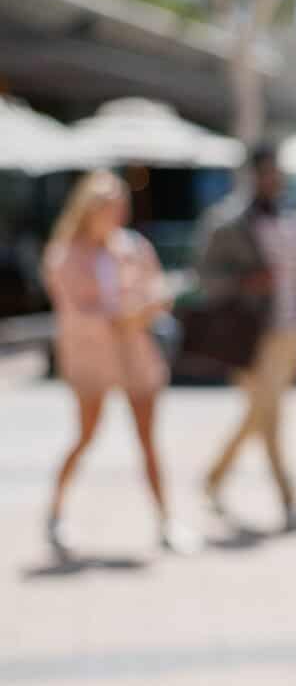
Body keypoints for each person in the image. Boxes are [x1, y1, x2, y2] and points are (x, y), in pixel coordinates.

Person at [42, 170, 200, 557]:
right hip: (92, 359)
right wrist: (124, 317)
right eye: (107, 207)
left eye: (118, 207)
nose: (115, 214)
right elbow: (74, 314)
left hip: (136, 357)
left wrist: (152, 306)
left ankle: (166, 520)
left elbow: (154, 287)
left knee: (148, 442)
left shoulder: (134, 247)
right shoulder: (65, 253)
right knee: (85, 436)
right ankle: (56, 513)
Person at [194, 143, 296, 533]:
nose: (271, 179)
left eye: (275, 171)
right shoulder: (228, 222)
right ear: (253, 176)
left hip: (295, 331)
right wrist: (245, 283)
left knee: (260, 412)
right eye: (264, 172)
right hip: (251, 333)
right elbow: (205, 277)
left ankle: (213, 479)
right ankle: (289, 502)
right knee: (270, 415)